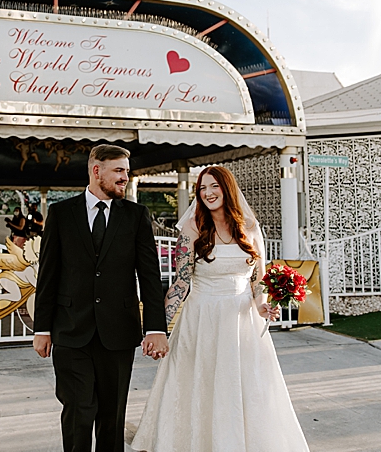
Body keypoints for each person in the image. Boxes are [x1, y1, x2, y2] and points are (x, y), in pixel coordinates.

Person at [129, 164, 308, 451]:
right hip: (201, 319)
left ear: (227, 188)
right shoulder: (191, 228)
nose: (209, 193)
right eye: (203, 188)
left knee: (244, 389)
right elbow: (181, 283)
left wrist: (262, 306)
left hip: (240, 322)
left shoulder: (249, 227)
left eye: (214, 186)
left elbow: (257, 279)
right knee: (198, 387)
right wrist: (157, 328)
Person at [33, 144, 168, 452]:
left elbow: (149, 276)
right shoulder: (61, 213)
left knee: (111, 418)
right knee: (78, 411)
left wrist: (156, 329)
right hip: (69, 331)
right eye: (119, 171)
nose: (125, 178)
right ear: (97, 171)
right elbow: (48, 276)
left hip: (118, 332)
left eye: (126, 171)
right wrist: (42, 329)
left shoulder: (136, 216)